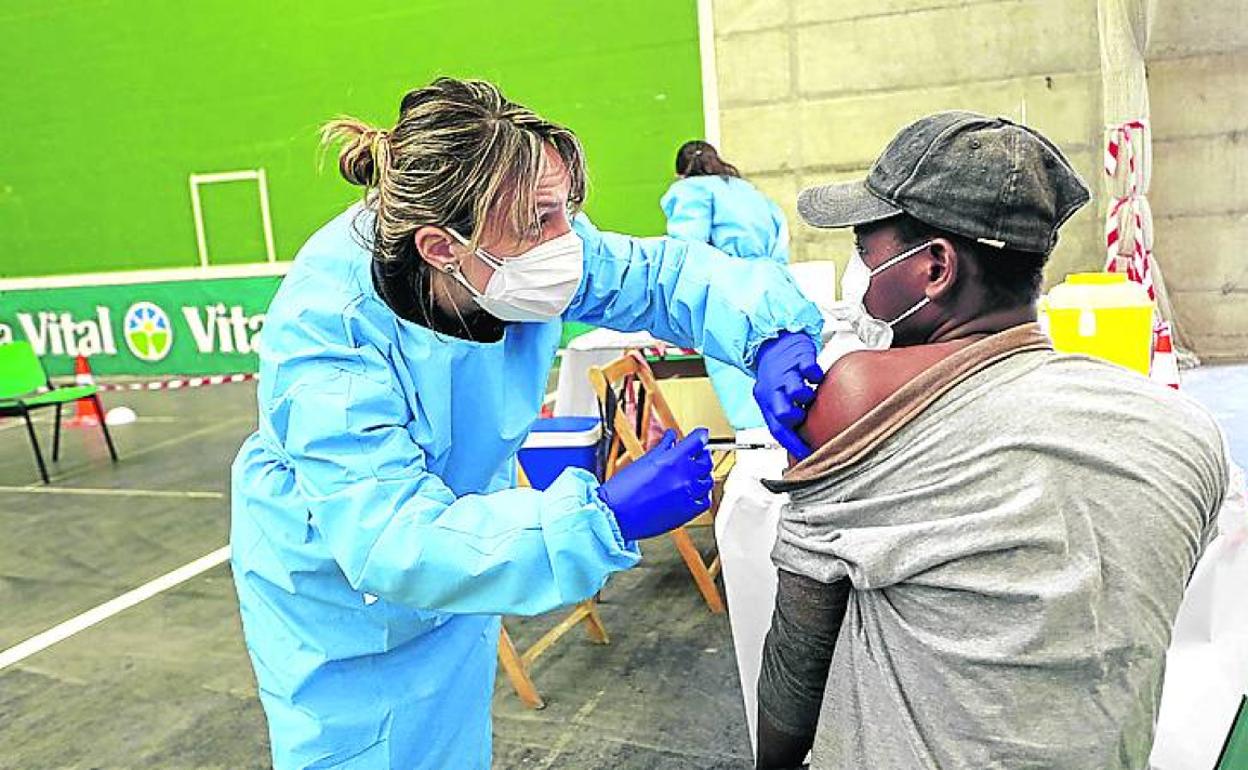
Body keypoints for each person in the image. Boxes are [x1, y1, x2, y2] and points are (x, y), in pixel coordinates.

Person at [229, 77, 825, 770]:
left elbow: (661, 276)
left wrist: (771, 331)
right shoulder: (328, 334)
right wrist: (599, 518)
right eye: (540, 220)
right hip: (338, 599)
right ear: (440, 247)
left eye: (566, 209)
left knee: (452, 745)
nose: (566, 241)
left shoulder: (513, 251)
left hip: (464, 540)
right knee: (368, 751)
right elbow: (391, 537)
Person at [754, 111, 1230, 770]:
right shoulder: (1186, 429)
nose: (860, 280)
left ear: (935, 269)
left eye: (865, 253)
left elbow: (796, 664)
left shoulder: (859, 393)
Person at [661, 140, 791, 431]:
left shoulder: (691, 191)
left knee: (739, 381)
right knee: (774, 368)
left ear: (680, 173)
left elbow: (687, 250)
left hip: (728, 287)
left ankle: (755, 448)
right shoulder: (748, 191)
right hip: (772, 283)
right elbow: (781, 240)